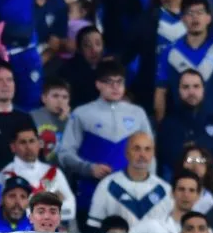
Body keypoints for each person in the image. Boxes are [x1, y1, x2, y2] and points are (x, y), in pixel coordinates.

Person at [58, 60, 153, 224]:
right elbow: (65, 154)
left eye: (119, 82)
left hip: (131, 194)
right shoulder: (82, 113)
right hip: (91, 192)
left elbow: (151, 154)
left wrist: (148, 185)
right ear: (98, 84)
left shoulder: (138, 114)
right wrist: (89, 168)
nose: (115, 87)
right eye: (109, 82)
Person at [85, 132, 170, 231]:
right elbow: (94, 227)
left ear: (153, 154)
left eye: (147, 149)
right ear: (126, 153)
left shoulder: (165, 190)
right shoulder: (107, 186)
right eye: (136, 149)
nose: (142, 154)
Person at [0, 126, 76, 228]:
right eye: (23, 142)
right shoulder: (4, 176)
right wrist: (52, 206)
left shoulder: (54, 173)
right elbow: (4, 211)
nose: (28, 147)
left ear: (39, 144)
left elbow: (71, 210)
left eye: (32, 141)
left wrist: (32, 209)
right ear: (13, 147)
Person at [131, 172, 213, 233]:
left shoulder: (205, 232)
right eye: (181, 189)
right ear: (172, 193)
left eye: (191, 190)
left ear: (198, 196)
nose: (186, 195)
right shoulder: (153, 226)